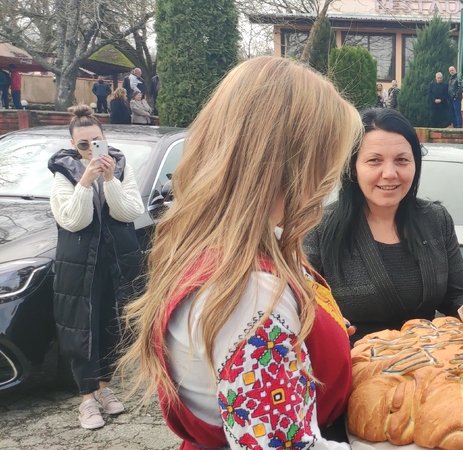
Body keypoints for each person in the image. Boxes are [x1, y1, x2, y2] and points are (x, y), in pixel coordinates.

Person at [118, 56, 362, 449]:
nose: (331, 179)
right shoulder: (250, 295)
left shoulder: (227, 248)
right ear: (295, 162)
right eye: (327, 158)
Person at [305, 108, 463, 342]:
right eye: (374, 160)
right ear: (353, 167)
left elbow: (459, 297)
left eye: (401, 160)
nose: (389, 173)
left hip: (428, 366)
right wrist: (328, 323)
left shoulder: (436, 220)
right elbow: (303, 306)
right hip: (355, 367)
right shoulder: (318, 227)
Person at [48, 104, 144, 429]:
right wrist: (86, 183)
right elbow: (74, 221)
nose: (90, 149)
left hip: (114, 262)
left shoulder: (119, 165)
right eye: (83, 145)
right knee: (81, 328)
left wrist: (110, 179)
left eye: (95, 141)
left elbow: (131, 211)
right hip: (78, 267)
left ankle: (105, 388)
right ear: (73, 146)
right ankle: (86, 399)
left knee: (110, 323)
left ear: (105, 138)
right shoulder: (64, 172)